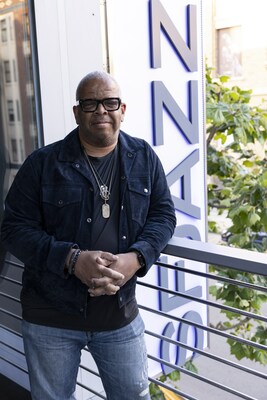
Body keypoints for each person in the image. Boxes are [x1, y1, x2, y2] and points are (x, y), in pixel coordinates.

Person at [0, 71, 176, 400]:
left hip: (120, 316)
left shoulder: (143, 157)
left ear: (122, 109)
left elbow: (163, 214)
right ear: (77, 112)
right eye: (90, 103)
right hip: (49, 317)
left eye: (109, 102)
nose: (101, 111)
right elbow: (13, 229)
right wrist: (71, 259)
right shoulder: (42, 163)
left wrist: (135, 259)